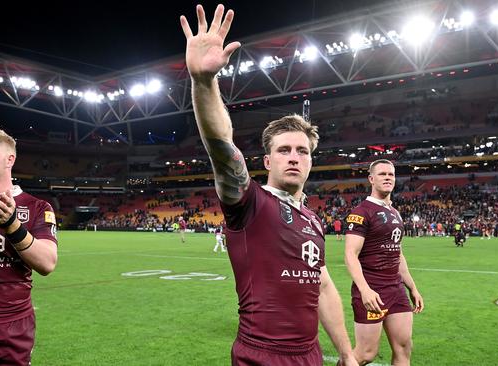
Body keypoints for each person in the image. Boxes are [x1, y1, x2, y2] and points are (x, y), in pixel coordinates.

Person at [179, 5, 357, 365]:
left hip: (311, 355)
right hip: (261, 356)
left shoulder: (313, 221)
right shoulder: (249, 202)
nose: (294, 157)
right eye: (284, 150)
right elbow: (220, 144)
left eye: (302, 151)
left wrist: (346, 353)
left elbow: (322, 286)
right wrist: (203, 82)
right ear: (267, 161)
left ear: (310, 161)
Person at [0, 128, 58, 365]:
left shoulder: (38, 207)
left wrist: (12, 225)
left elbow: (47, 263)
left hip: (19, 323)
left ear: (10, 159)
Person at [344, 159, 424, 366]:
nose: (388, 177)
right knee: (366, 354)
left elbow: (398, 254)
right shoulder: (362, 212)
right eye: (382, 174)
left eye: (391, 174)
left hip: (396, 289)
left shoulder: (395, 213)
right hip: (373, 289)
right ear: (371, 179)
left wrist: (413, 288)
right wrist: (364, 290)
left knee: (404, 347)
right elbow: (350, 255)